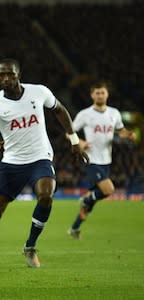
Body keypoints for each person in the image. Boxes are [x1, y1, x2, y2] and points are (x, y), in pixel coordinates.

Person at [0, 58, 89, 268]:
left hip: (40, 157)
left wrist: (74, 140)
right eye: (2, 75)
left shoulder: (39, 92)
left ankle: (30, 246)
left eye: (10, 73)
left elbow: (60, 110)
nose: (6, 78)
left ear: (19, 74)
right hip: (11, 163)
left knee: (46, 196)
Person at [68, 82, 135, 239]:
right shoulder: (85, 114)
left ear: (107, 94)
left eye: (102, 92)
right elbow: (69, 132)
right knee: (108, 190)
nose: (100, 95)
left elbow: (120, 130)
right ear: (92, 95)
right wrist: (80, 143)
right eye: (97, 93)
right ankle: (86, 198)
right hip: (91, 159)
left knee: (91, 204)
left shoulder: (114, 113)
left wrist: (128, 135)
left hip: (107, 160)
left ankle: (74, 228)